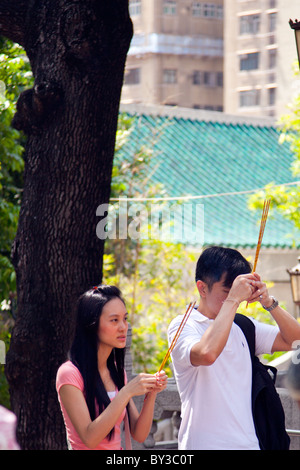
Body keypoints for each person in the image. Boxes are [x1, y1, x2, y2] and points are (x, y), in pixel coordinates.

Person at [168, 246, 300, 450]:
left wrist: (269, 302)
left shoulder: (243, 326)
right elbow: (207, 353)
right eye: (227, 292)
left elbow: (295, 340)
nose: (236, 298)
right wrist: (233, 299)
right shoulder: (184, 325)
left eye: (237, 291)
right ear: (202, 288)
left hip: (249, 444)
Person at [56, 285, 167, 450]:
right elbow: (89, 438)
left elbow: (139, 434)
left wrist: (151, 394)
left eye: (125, 319)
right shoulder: (69, 374)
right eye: (114, 320)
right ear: (92, 325)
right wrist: (127, 391)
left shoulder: (116, 372)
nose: (123, 327)